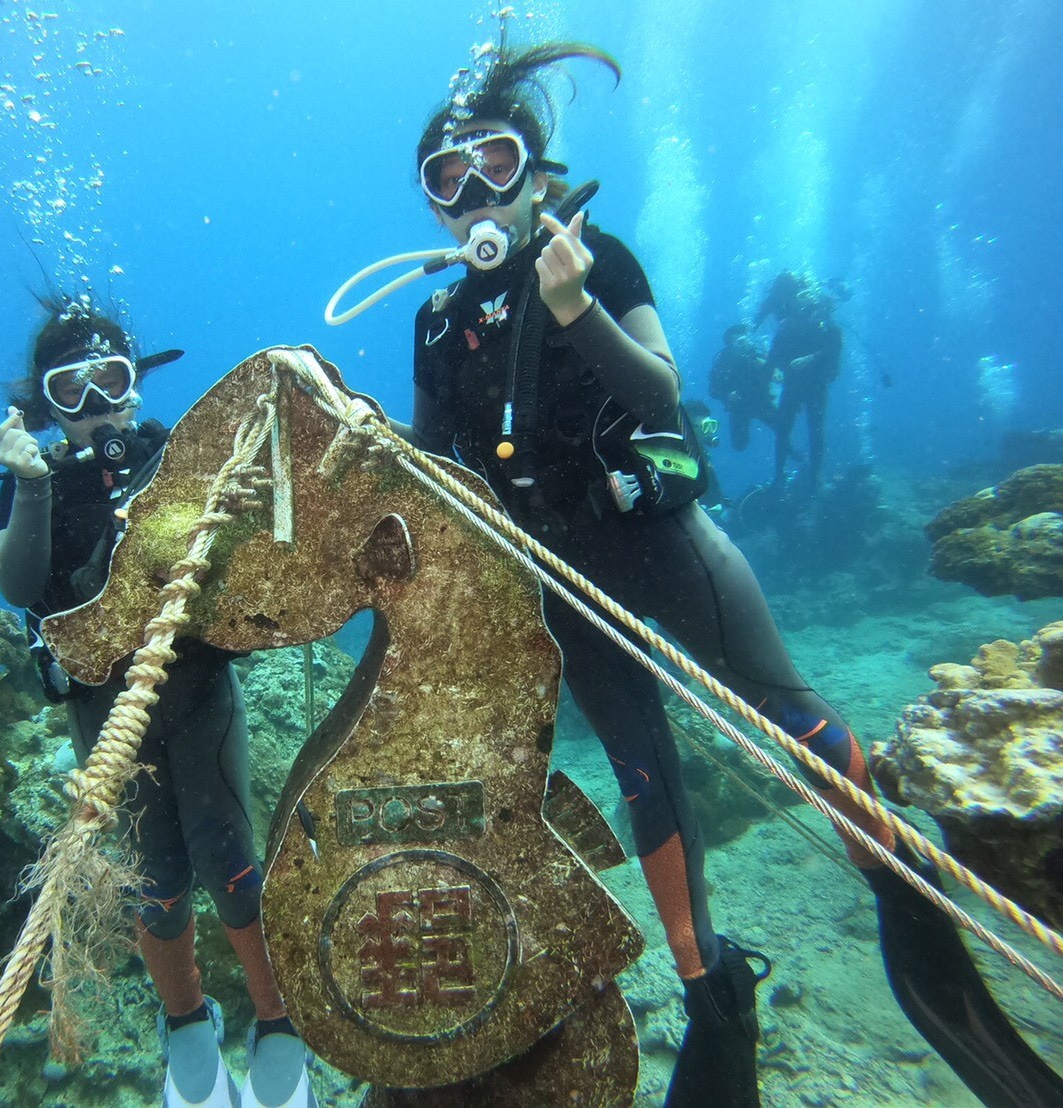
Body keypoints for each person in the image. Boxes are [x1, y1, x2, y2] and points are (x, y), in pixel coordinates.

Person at [400, 39, 1061, 1108]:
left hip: (662, 548)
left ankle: (905, 896)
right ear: (432, 205)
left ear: (531, 168)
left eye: (495, 162)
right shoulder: (434, 322)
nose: (475, 191)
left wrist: (573, 307)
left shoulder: (597, 259)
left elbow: (660, 397)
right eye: (447, 177)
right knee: (643, 778)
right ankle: (711, 992)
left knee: (785, 716)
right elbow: (434, 463)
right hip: (562, 586)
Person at [0, 296, 317, 1108]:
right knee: (153, 880)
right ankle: (186, 1027)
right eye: (72, 390)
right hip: (105, 712)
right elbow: (19, 584)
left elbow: (258, 561)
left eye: (111, 380)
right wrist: (31, 483)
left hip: (199, 690)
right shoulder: (37, 483)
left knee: (231, 863)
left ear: (136, 385)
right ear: (43, 405)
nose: (97, 405)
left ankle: (278, 1021)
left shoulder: (182, 454)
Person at [756, 271, 843, 491]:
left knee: (815, 430)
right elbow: (773, 356)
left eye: (807, 296)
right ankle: (779, 476)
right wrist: (765, 384)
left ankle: (815, 477)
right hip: (794, 384)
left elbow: (833, 349)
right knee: (784, 429)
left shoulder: (824, 321)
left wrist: (811, 359)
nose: (803, 301)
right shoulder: (787, 324)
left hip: (815, 384)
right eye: (799, 297)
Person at [708, 323, 776, 454]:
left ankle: (795, 457)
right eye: (740, 341)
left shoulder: (757, 355)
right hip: (739, 407)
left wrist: (767, 366)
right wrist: (727, 394)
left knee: (783, 428)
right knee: (739, 445)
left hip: (761, 401)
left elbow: (773, 376)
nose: (745, 343)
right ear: (731, 343)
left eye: (746, 339)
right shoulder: (723, 360)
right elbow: (713, 390)